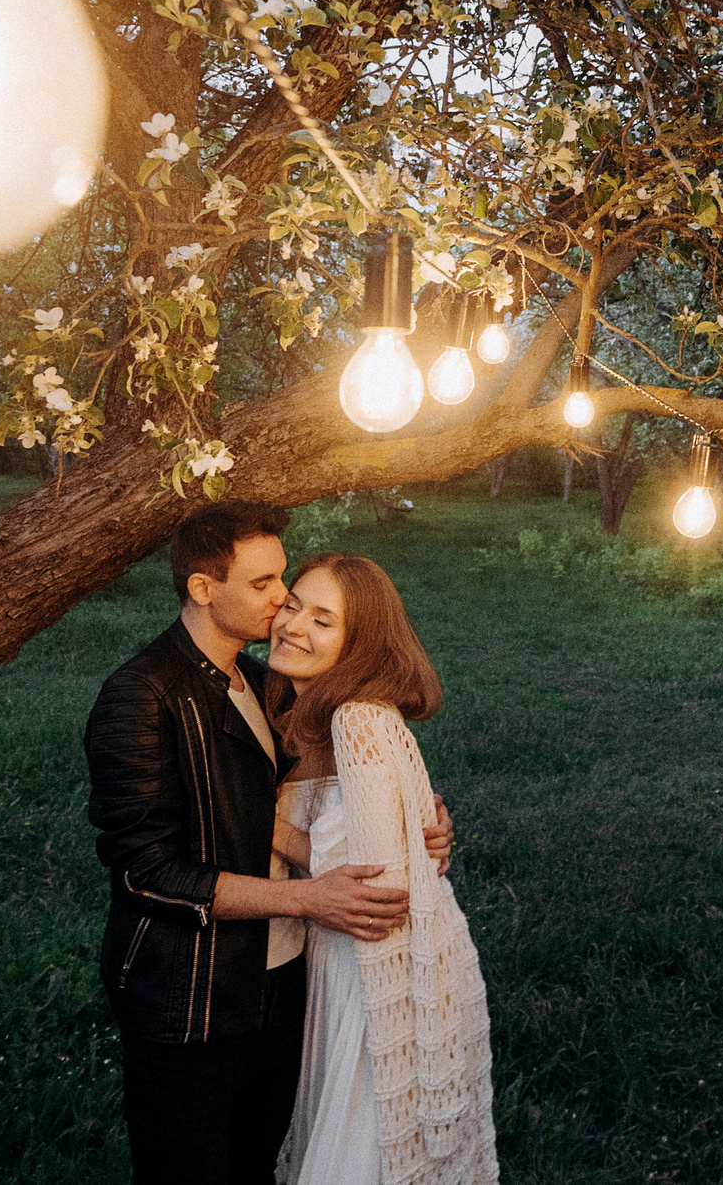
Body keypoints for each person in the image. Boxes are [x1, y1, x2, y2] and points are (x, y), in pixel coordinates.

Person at [85, 502, 455, 1185]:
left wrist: (414, 822)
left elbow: (317, 801)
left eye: (283, 575)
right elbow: (146, 872)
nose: (284, 598)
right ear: (203, 588)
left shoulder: (264, 685)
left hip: (281, 989)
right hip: (190, 1004)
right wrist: (308, 897)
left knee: (263, 1168)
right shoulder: (140, 696)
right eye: (264, 584)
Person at [269, 552, 499, 1185]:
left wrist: (245, 819)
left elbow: (367, 878)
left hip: (372, 962)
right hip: (330, 954)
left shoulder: (358, 718)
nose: (294, 627)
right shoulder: (296, 709)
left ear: (358, 644)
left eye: (323, 621)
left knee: (361, 1150)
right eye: (292, 605)